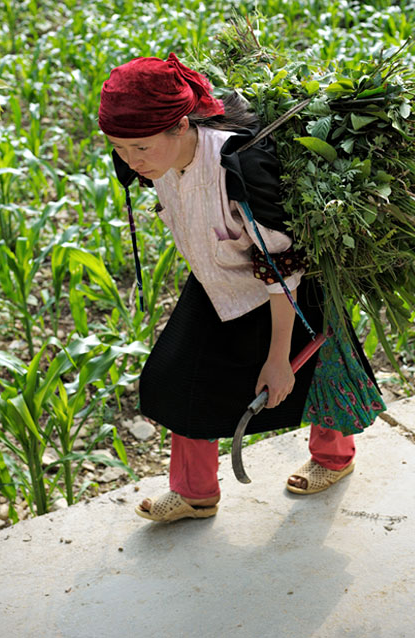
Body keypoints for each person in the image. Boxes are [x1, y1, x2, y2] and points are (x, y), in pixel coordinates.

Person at [98, 53, 384, 523]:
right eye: (119, 147)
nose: (130, 161)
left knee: (316, 372)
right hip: (219, 284)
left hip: (288, 290)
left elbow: (284, 269)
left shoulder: (239, 168)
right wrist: (138, 156)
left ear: (181, 126)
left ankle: (335, 458)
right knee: (180, 382)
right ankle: (195, 494)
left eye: (140, 149)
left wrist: (276, 359)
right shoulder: (149, 159)